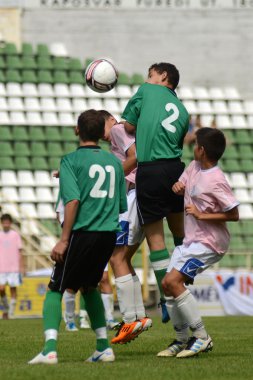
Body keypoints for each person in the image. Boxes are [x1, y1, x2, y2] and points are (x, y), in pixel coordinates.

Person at [28, 109, 127, 365]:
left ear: (77, 131)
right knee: (89, 287)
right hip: (108, 234)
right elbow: (120, 205)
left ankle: (49, 349)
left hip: (83, 233)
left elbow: (72, 200)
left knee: (55, 288)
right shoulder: (115, 163)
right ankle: (104, 347)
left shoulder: (70, 160)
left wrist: (63, 238)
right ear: (101, 134)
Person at [157, 127, 239, 359]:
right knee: (167, 285)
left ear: (201, 150)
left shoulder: (216, 179)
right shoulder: (193, 167)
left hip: (210, 243)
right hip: (191, 240)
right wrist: (177, 186)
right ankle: (181, 339)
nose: (193, 147)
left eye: (196, 144)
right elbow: (181, 184)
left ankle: (202, 337)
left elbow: (234, 214)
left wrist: (203, 215)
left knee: (173, 281)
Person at [122, 62, 189, 322]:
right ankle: (182, 283)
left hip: (149, 169)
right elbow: (178, 139)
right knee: (180, 234)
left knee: (156, 241)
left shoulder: (147, 90)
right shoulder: (183, 110)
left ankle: (168, 298)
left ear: (163, 76)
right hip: (175, 170)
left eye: (151, 74)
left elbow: (128, 126)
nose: (147, 77)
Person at [100, 110, 152, 345]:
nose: (102, 137)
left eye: (101, 129)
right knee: (125, 258)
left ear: (110, 120)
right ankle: (139, 316)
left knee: (116, 257)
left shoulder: (119, 130)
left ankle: (129, 319)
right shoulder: (117, 136)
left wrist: (112, 175)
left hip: (134, 195)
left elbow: (136, 156)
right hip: (139, 194)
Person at [56, 196, 118, 332]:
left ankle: (109, 318)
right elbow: (60, 211)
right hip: (78, 239)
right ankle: (71, 319)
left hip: (98, 237)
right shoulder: (69, 185)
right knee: (73, 282)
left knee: (103, 278)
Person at [0, 214, 24, 319]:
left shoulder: (15, 235)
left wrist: (22, 266)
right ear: (1, 223)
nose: (6, 223)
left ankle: (11, 313)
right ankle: (6, 308)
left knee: (13, 289)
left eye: (7, 221)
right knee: (1, 289)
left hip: (14, 267)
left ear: (10, 223)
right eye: (4, 221)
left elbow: (20, 251)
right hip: (1, 267)